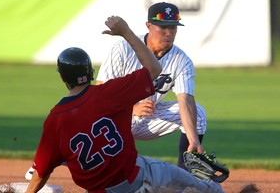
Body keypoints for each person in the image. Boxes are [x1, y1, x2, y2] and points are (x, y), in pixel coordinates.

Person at [26, 16, 223, 193]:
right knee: (197, 186)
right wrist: (126, 32)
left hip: (101, 188)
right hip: (138, 177)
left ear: (62, 77)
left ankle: (60, 159)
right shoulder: (110, 93)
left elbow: (40, 175)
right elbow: (154, 68)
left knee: (62, 150)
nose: (168, 33)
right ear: (91, 72)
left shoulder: (55, 117)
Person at [96, 2, 207, 168]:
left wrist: (194, 140)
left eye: (173, 28)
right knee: (99, 114)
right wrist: (131, 108)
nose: (169, 33)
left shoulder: (181, 60)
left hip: (150, 118)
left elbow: (185, 101)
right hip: (116, 118)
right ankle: (96, 169)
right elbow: (100, 93)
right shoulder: (123, 49)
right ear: (148, 25)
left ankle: (185, 174)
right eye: (163, 28)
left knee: (197, 112)